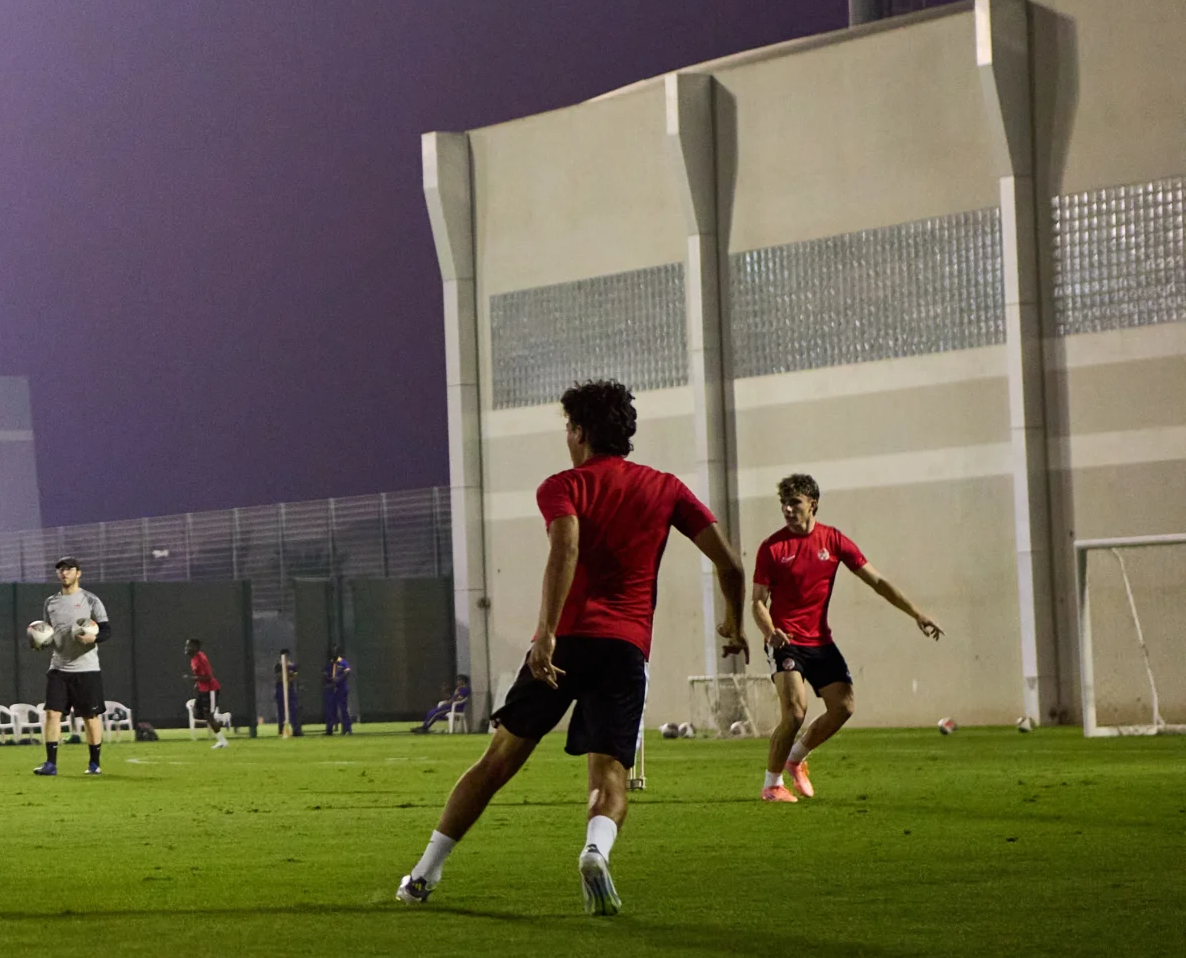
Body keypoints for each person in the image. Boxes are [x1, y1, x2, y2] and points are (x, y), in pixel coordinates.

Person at [396, 380, 746, 916]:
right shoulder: (666, 487)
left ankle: (424, 873)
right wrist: (732, 623)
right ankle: (594, 851)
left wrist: (546, 633)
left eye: (568, 427)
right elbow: (731, 564)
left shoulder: (563, 486)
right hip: (625, 648)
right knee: (611, 773)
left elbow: (566, 545)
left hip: (565, 643)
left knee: (496, 763)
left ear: (579, 432)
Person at [753, 473, 944, 802]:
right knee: (795, 712)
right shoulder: (772, 548)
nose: (787, 508)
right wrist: (771, 631)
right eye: (783, 503)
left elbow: (878, 581)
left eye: (794, 502)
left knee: (843, 707)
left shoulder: (833, 541)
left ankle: (795, 759)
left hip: (820, 642)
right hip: (786, 642)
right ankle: (771, 784)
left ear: (812, 504)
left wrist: (916, 613)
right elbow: (757, 601)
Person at [31, 556, 110, 777]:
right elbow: (50, 634)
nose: (64, 573)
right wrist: (41, 641)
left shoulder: (91, 600)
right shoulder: (50, 603)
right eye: (61, 570)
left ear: (78, 573)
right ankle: (50, 764)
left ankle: (94, 763)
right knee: (52, 713)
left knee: (90, 716)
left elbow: (106, 630)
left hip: (87, 668)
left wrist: (92, 639)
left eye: (69, 569)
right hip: (59, 667)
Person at [186, 638, 228, 748]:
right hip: (202, 689)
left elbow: (209, 677)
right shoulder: (194, 658)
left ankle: (222, 740)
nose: (186, 649)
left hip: (210, 689)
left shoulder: (201, 659)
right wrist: (197, 683)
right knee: (197, 713)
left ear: (195, 648)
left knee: (209, 716)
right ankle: (221, 718)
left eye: (189, 646)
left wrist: (193, 679)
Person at [323, 653, 353, 735]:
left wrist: (339, 679)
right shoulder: (330, 664)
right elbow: (325, 674)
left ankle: (347, 729)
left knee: (344, 709)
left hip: (341, 689)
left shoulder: (343, 662)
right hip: (331, 690)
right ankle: (329, 729)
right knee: (330, 710)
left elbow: (347, 672)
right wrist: (330, 679)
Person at [273, 649, 299, 736]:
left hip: (290, 689)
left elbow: (293, 677)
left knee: (293, 709)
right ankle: (281, 730)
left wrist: (288, 676)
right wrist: (288, 675)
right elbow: (278, 678)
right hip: (280, 689)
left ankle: (295, 729)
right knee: (281, 710)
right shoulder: (278, 665)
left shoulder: (292, 665)